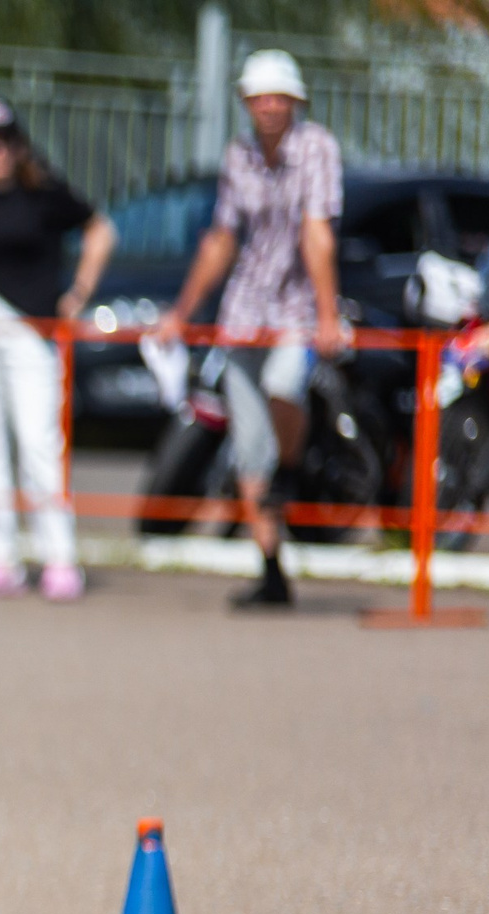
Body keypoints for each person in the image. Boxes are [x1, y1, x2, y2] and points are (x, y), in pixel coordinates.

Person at [154, 49, 345, 609]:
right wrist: (182, 310)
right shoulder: (238, 156)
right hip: (243, 310)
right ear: (247, 102)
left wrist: (328, 315)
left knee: (285, 389)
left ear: (295, 101)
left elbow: (317, 234)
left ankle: (293, 466)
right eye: (260, 96)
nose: (268, 105)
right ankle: (271, 568)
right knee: (247, 448)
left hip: (296, 307)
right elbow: (221, 238)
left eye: (278, 96)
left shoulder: (318, 149)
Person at [0, 99, 113, 601]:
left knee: (39, 443)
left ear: (19, 146)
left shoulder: (45, 192)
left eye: (3, 141)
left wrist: (79, 293)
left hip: (32, 328)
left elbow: (100, 229)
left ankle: (58, 556)